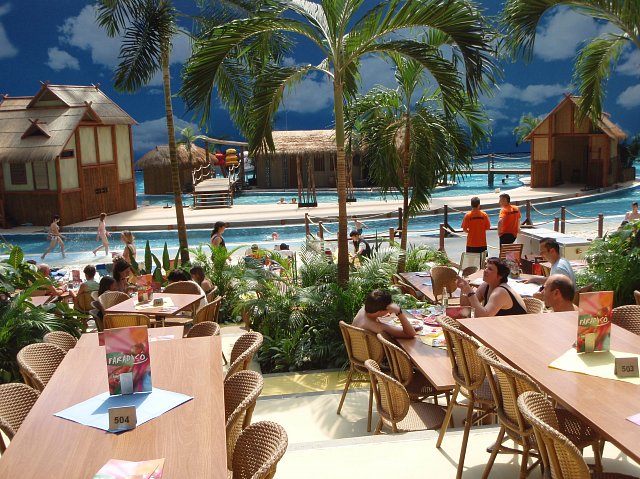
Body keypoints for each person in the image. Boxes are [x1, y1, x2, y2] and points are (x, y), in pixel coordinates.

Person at [457, 257, 527, 317]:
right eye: (486, 267)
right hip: (500, 325)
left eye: (490, 269)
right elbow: (467, 306)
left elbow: (484, 316)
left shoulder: (500, 292)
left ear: (500, 276)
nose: (485, 271)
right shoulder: (486, 286)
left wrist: (470, 292)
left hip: (517, 326)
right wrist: (464, 289)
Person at [352, 289, 418, 338]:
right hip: (375, 352)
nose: (390, 312)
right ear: (379, 312)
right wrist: (399, 312)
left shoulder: (363, 309)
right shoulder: (376, 326)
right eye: (389, 309)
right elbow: (411, 334)